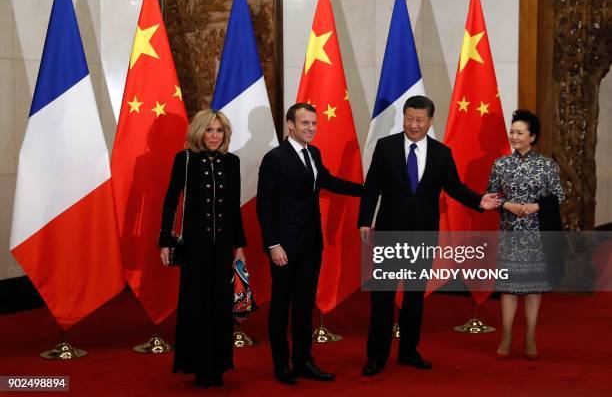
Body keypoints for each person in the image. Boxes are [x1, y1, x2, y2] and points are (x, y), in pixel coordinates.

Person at [358, 95, 501, 376]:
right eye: (409, 118)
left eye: (419, 120)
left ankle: (409, 352)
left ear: (429, 121)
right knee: (383, 297)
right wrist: (365, 221)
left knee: (413, 296)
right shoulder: (386, 147)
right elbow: (372, 186)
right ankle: (376, 356)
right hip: (389, 233)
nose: (413, 124)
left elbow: (455, 187)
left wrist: (479, 201)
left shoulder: (441, 153)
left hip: (423, 235)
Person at [256, 102, 362, 385]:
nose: (311, 129)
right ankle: (282, 364)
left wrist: (368, 189)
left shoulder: (313, 153)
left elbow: (329, 181)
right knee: (281, 305)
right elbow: (264, 206)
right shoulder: (275, 158)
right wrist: (273, 245)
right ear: (290, 125)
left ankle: (303, 360)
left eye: (314, 124)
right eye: (305, 124)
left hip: (311, 244)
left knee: (304, 305)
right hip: (284, 247)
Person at [159, 109, 246, 388]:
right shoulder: (184, 160)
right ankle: (197, 366)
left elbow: (234, 208)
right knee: (195, 305)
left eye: (219, 131)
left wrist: (239, 247)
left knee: (221, 306)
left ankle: (219, 365)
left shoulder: (232, 162)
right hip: (194, 247)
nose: (215, 136)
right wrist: (165, 241)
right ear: (199, 132)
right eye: (210, 130)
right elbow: (171, 200)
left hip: (222, 247)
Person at [487, 109, 565, 360]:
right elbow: (490, 195)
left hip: (536, 234)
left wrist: (536, 205)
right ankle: (507, 336)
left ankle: (530, 335)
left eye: (520, 132)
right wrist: (505, 204)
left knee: (533, 289)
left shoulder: (547, 165)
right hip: (510, 234)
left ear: (532, 136)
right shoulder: (500, 164)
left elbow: (558, 195)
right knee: (508, 289)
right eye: (512, 132)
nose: (514, 136)